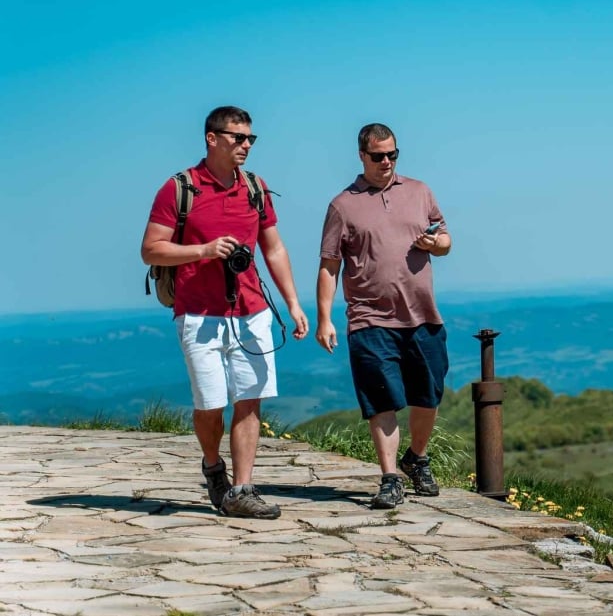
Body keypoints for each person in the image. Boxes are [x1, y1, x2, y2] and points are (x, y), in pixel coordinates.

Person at [140, 106, 309, 519]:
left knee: (250, 400)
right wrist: (204, 250)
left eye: (251, 138)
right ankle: (213, 465)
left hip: (252, 309)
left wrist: (292, 303)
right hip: (198, 313)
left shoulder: (255, 187)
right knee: (210, 405)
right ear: (211, 138)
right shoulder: (179, 189)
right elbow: (150, 249)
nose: (246, 145)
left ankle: (242, 489)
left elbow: (274, 247)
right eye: (238, 137)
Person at [316, 122, 452, 509]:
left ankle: (417, 458)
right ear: (362, 156)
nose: (387, 161)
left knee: (428, 396)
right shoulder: (342, 205)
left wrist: (435, 243)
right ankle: (390, 476)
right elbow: (329, 265)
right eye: (379, 156)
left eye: (393, 154)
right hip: (369, 318)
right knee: (382, 401)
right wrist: (325, 318)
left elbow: (445, 240)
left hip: (423, 315)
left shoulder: (420, 191)